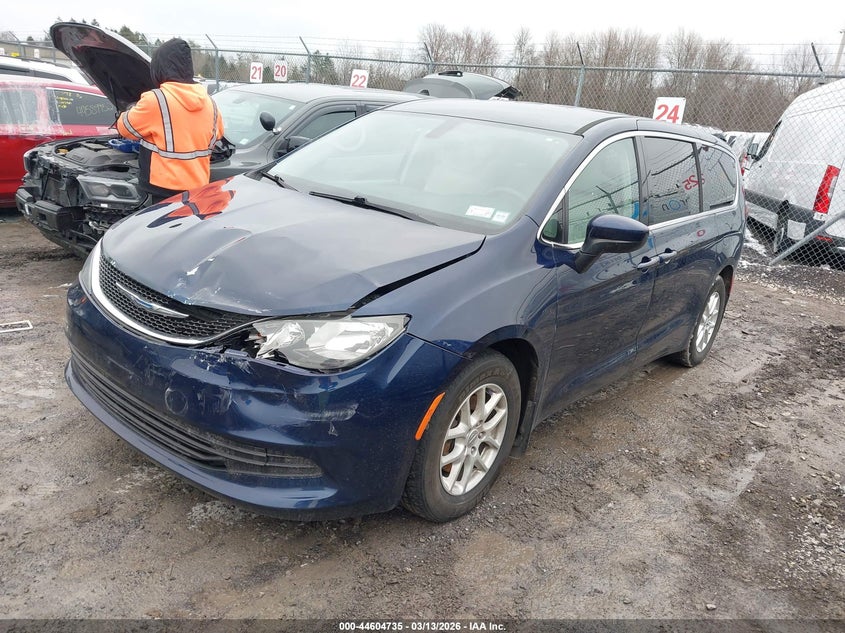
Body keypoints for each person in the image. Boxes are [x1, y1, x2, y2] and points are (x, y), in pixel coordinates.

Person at [116, 38, 224, 204]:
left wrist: (127, 111)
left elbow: (125, 129)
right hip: (197, 188)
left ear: (159, 68)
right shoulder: (211, 104)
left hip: (161, 189)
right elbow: (218, 134)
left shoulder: (156, 100)